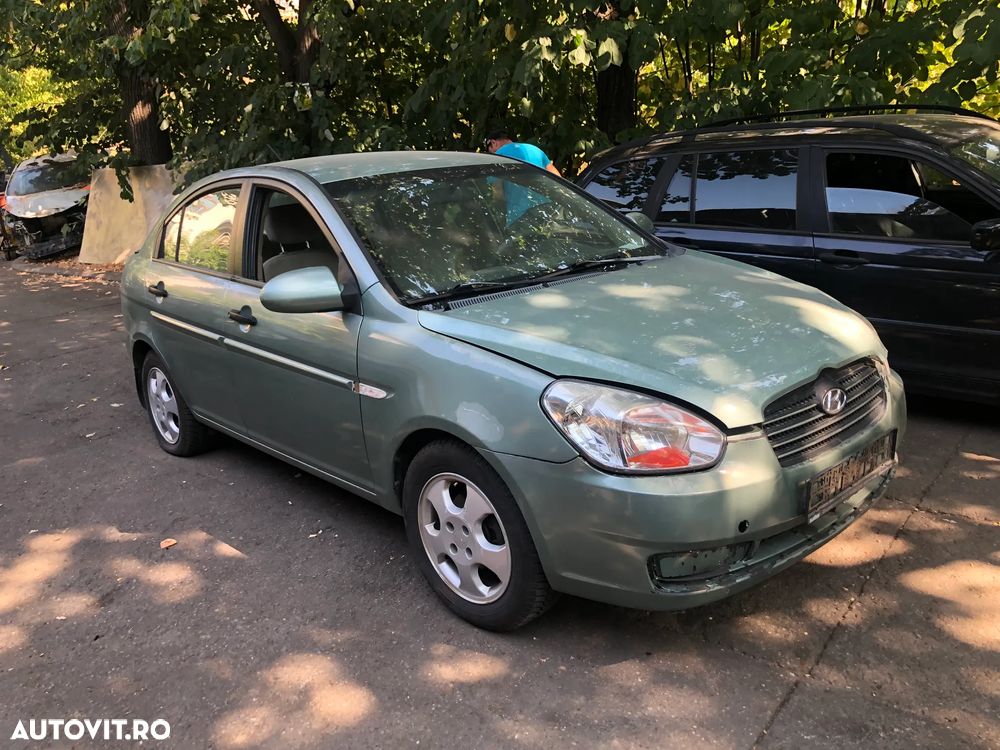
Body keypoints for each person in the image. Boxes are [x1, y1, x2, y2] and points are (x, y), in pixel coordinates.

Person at [484, 131, 562, 177]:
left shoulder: (499, 156)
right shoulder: (535, 149)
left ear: (493, 143)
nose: (493, 154)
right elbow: (557, 177)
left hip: (517, 200)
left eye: (490, 151)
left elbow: (498, 190)